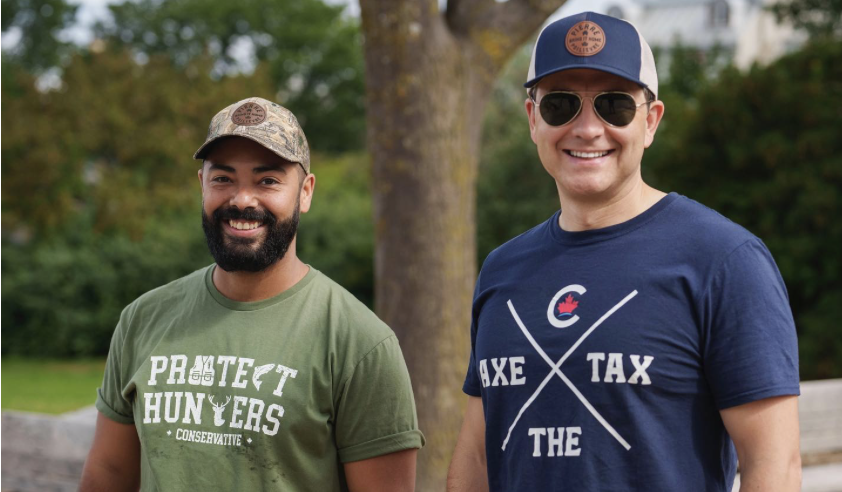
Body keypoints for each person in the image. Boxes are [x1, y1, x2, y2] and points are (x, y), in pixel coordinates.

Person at [447, 12, 800, 492]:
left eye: (614, 106)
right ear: (533, 120)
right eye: (560, 106)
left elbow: (774, 467)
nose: (588, 128)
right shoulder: (502, 269)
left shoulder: (723, 260)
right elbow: (476, 459)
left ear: (650, 122)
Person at [80, 97, 424, 492]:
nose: (242, 199)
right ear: (202, 186)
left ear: (306, 192)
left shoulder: (360, 342)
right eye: (223, 178)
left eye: (268, 180)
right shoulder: (143, 319)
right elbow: (106, 475)